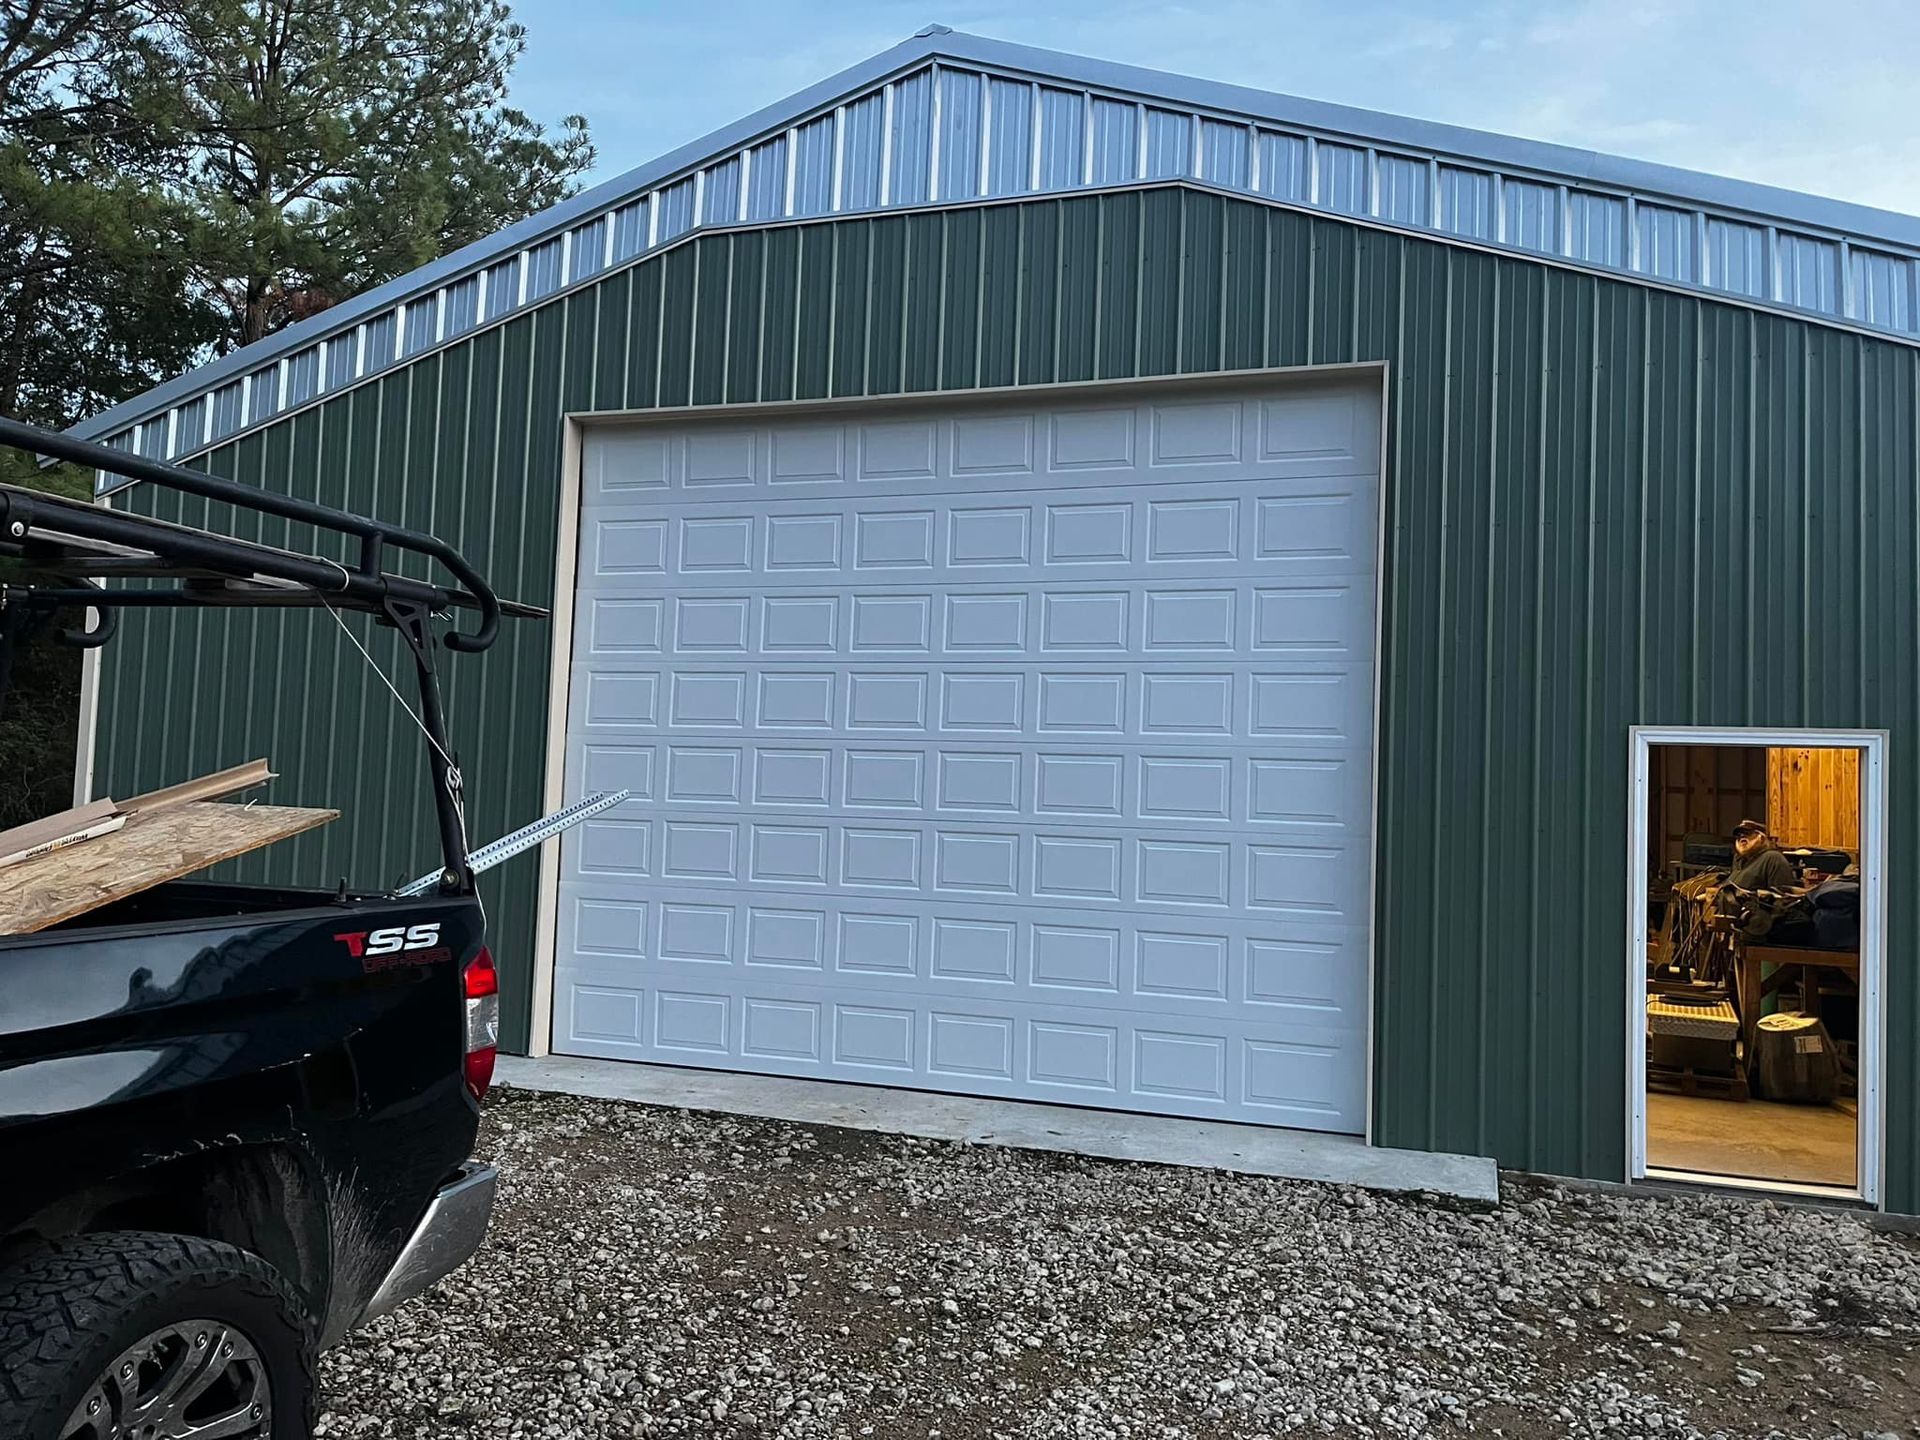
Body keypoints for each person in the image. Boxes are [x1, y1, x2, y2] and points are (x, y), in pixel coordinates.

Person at [1728, 819, 1799, 893]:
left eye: (1748, 833)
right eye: (1738, 835)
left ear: (1761, 837)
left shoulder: (1773, 858)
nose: (1741, 837)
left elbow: (1782, 895)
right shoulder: (1739, 860)